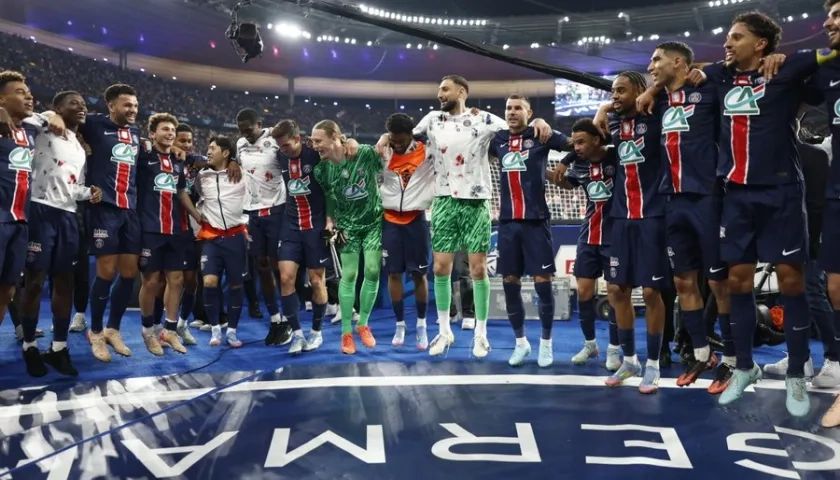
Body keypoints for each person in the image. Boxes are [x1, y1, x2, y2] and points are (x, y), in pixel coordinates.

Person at [662, 12, 838, 416]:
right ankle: (744, 366)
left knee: (791, 281)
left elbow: (831, 54)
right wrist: (651, 93)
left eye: (737, 37)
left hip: (781, 193)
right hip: (735, 194)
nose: (727, 43)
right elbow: (680, 83)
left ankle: (797, 372)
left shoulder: (789, 67)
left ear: (761, 44)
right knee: (737, 281)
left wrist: (790, 57)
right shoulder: (719, 77)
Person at [378, 74, 553, 358]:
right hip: (444, 200)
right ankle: (444, 331)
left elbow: (516, 128)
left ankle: (480, 335)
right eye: (439, 90)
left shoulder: (484, 119)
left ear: (462, 92)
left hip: (476, 201)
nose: (439, 94)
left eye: (444, 90)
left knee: (478, 270)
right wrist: (386, 136)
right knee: (439, 270)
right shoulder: (432, 119)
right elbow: (406, 136)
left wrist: (537, 122)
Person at [646, 41, 733, 391]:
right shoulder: (659, 100)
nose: (651, 65)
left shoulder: (708, 90)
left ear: (678, 62)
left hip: (707, 197)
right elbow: (619, 104)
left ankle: (732, 359)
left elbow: (735, 68)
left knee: (718, 282)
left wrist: (706, 69)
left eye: (657, 60)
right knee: (683, 282)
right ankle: (701, 354)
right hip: (672, 201)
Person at [47, 83, 142, 362]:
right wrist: (51, 116)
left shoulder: (137, 133)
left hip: (131, 211)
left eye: (135, 105)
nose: (132, 110)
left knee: (128, 274)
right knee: (106, 272)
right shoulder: (96, 124)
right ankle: (96, 332)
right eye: (127, 105)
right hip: (104, 209)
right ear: (111, 106)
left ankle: (114, 329)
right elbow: (65, 116)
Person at [593, 71, 669, 394]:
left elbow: (673, 88)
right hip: (621, 218)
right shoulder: (612, 125)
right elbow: (603, 117)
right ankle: (630, 360)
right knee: (616, 290)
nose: (615, 96)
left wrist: (652, 91)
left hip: (654, 215)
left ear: (640, 91)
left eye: (622, 91)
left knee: (652, 293)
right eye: (612, 91)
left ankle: (653, 365)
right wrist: (603, 109)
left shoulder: (659, 115)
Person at [18, 91, 99, 377]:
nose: (82, 107)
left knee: (65, 281)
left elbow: (73, 186)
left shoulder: (79, 147)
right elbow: (21, 115)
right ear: (58, 107)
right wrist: (48, 115)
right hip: (39, 210)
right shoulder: (41, 126)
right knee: (35, 282)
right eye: (74, 103)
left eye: (84, 103)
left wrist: (89, 193)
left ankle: (58, 348)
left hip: (67, 215)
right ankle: (28, 345)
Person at [490, 95, 571, 367]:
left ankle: (545, 344)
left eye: (518, 108)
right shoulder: (497, 139)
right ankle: (521, 343)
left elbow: (576, 145)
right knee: (509, 283)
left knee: (542, 285)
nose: (512, 113)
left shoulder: (540, 134)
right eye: (508, 108)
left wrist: (564, 162)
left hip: (536, 222)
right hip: (508, 223)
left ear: (529, 112)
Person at [551, 118, 621, 372]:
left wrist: (566, 158)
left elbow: (617, 140)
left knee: (615, 294)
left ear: (597, 139)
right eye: (574, 143)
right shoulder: (579, 165)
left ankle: (615, 348)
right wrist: (538, 169)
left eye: (581, 142)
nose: (577, 147)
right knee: (583, 292)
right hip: (588, 236)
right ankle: (590, 344)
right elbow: (567, 184)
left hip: (615, 237)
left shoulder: (617, 158)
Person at [310, 120, 381, 354]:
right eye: (312, 141)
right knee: (349, 275)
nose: (314, 145)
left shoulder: (364, 154)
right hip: (347, 227)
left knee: (372, 271)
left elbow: (387, 144)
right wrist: (330, 220)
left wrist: (357, 142)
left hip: (373, 223)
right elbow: (330, 196)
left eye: (318, 141)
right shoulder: (322, 169)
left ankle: (363, 325)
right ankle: (347, 333)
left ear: (335, 137)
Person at [178, 136, 248, 346]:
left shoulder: (241, 174)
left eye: (212, 148)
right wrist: (199, 217)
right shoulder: (203, 175)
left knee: (236, 285)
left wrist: (235, 161)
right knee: (209, 282)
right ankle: (216, 330)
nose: (208, 152)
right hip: (211, 238)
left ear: (226, 153)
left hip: (236, 237)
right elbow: (196, 196)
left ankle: (232, 332)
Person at [272, 119, 330, 354]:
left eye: (286, 145)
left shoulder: (315, 155)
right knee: (286, 279)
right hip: (290, 225)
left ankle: (316, 333)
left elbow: (338, 148)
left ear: (297, 139)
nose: (282, 150)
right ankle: (297, 335)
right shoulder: (278, 155)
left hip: (316, 226)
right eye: (280, 146)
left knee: (317, 281)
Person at [235, 108, 292, 346]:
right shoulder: (239, 144)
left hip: (277, 210)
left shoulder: (275, 141)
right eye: (241, 130)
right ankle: (276, 320)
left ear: (259, 123)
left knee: (281, 268)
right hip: (253, 213)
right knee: (262, 266)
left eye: (249, 129)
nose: (245, 134)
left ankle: (290, 319)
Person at [378, 113, 434, 350]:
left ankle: (421, 324)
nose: (397, 144)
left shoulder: (428, 151)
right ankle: (400, 324)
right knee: (393, 274)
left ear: (411, 134)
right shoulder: (382, 151)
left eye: (401, 140)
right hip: (389, 221)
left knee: (418, 275)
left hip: (416, 220)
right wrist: (383, 140)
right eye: (393, 139)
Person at [136, 113, 190, 355]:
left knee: (176, 280)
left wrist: (197, 215)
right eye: (165, 129)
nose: (170, 133)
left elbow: (181, 193)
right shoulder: (143, 157)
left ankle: (168, 329)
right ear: (152, 133)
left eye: (172, 130)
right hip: (149, 228)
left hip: (175, 229)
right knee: (151, 282)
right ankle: (148, 332)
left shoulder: (179, 162)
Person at [0, 71, 38, 368]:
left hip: (21, 221)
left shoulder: (31, 131)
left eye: (29, 92)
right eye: (20, 92)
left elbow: (52, 114)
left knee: (8, 288)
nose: (28, 96)